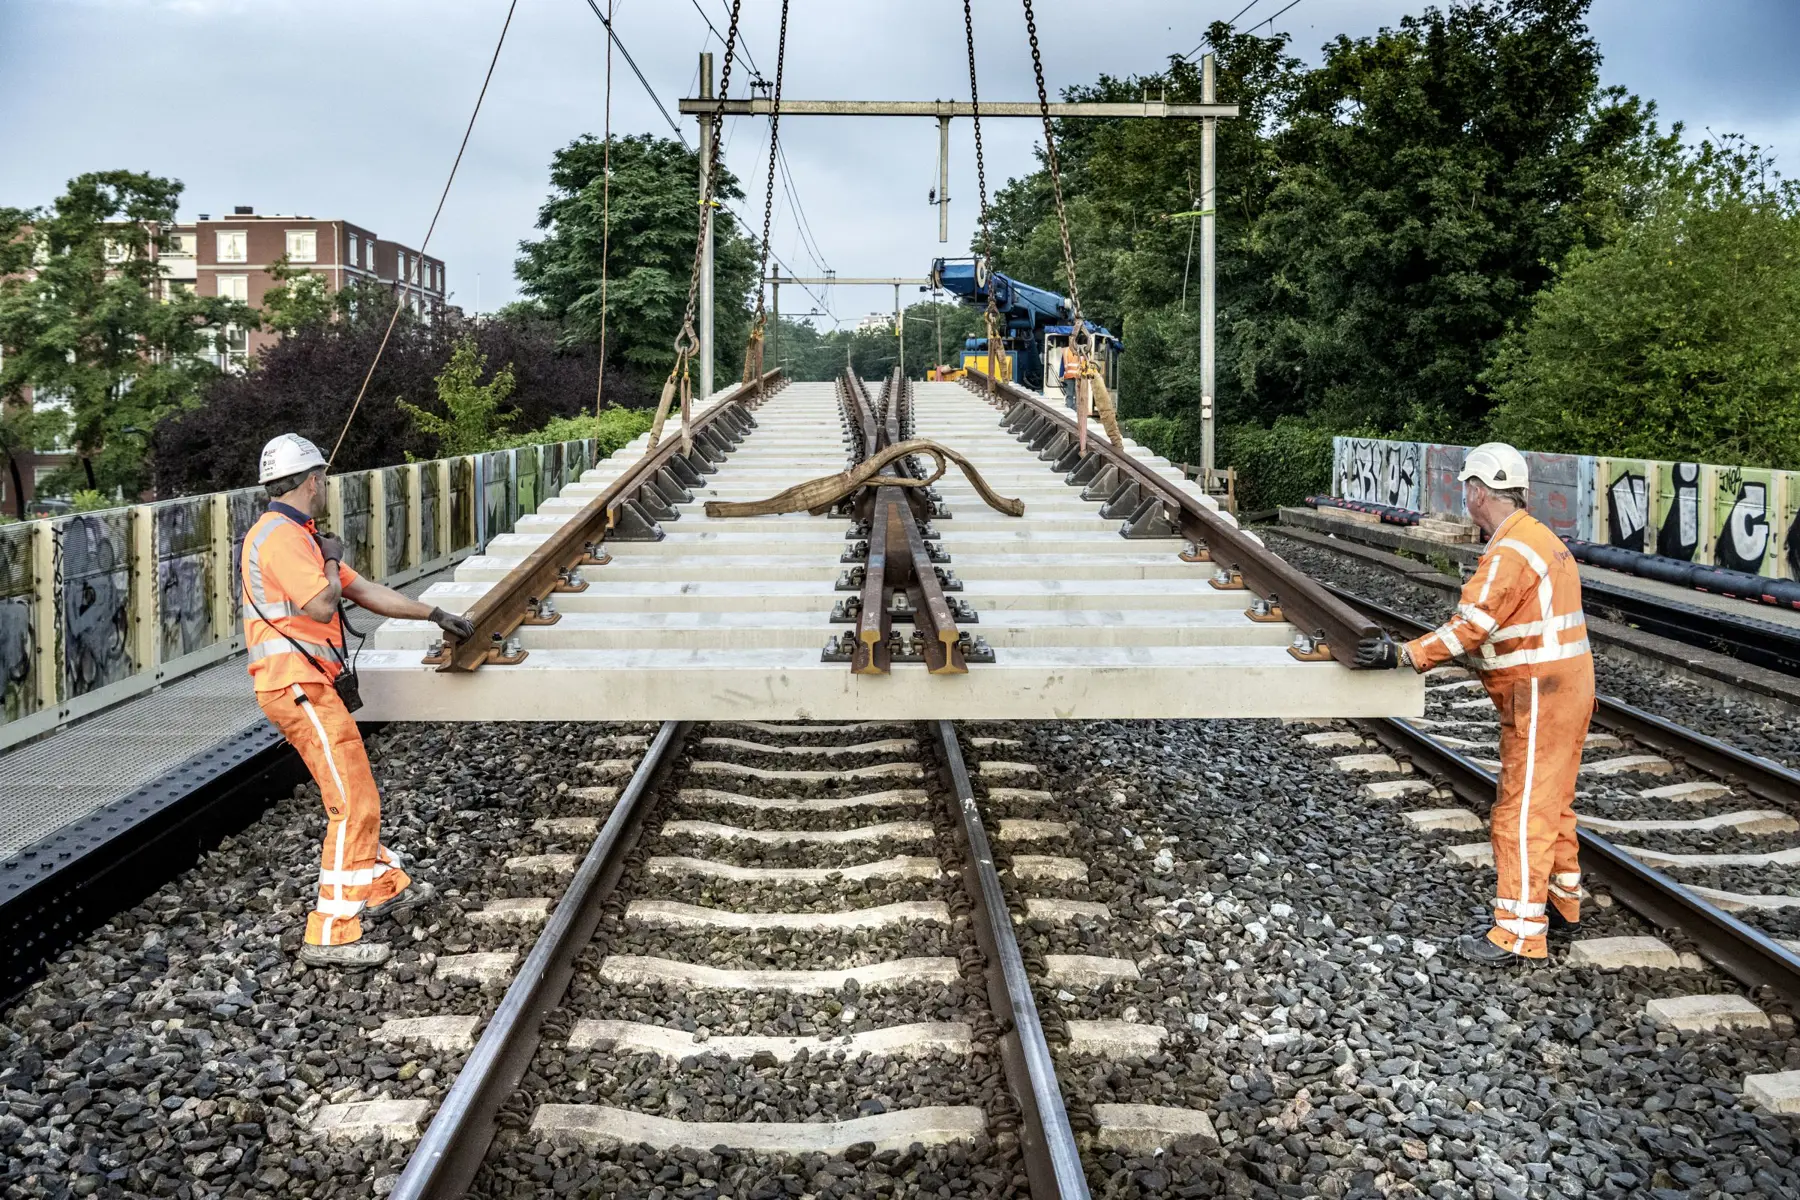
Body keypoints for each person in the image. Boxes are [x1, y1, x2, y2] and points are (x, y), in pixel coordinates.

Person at [1354, 442, 1593, 965]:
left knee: (1521, 809)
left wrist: (1404, 655)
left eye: (1467, 488)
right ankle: (1561, 904)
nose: (1466, 496)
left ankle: (1518, 933)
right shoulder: (1538, 538)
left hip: (1539, 692)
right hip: (1562, 688)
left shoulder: (1509, 553)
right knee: (1552, 802)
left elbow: (1472, 627)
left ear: (1479, 492)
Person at [243, 434, 475, 968]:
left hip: (306, 682)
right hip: (294, 683)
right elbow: (324, 605)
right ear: (312, 481)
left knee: (357, 791)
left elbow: (366, 592)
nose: (325, 485)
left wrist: (435, 614)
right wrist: (329, 560)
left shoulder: (297, 535)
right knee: (351, 802)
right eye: (322, 478)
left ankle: (381, 882)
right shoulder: (282, 538)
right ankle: (330, 931)